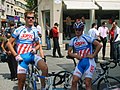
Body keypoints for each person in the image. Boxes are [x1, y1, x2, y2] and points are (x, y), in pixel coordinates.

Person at [7, 11, 48, 90]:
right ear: (25, 19)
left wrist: (34, 49)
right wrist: (15, 55)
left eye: (32, 18)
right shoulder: (19, 29)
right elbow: (9, 43)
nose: (31, 19)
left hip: (32, 56)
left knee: (45, 68)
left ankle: (43, 87)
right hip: (22, 57)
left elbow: (38, 44)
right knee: (21, 82)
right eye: (28, 18)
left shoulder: (35, 30)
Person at [68, 22, 102, 90]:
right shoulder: (73, 40)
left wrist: (93, 55)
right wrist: (75, 56)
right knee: (74, 81)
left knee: (87, 83)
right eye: (76, 29)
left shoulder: (86, 37)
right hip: (80, 63)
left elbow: (99, 45)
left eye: (79, 29)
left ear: (82, 29)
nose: (77, 31)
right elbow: (69, 52)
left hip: (89, 63)